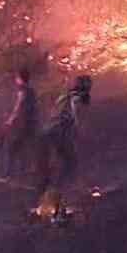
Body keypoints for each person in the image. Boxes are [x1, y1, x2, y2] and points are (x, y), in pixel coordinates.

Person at [35, 75, 92, 217]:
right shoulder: (75, 97)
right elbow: (74, 113)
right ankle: (54, 201)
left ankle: (49, 200)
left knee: (61, 164)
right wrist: (78, 131)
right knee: (70, 163)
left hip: (48, 131)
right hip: (57, 131)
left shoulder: (64, 95)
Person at [1, 66, 38, 179]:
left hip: (20, 124)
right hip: (30, 124)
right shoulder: (32, 91)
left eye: (17, 77)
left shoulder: (22, 90)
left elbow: (18, 107)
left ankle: (7, 175)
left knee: (10, 148)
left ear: (20, 78)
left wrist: (10, 120)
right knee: (23, 148)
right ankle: (23, 173)